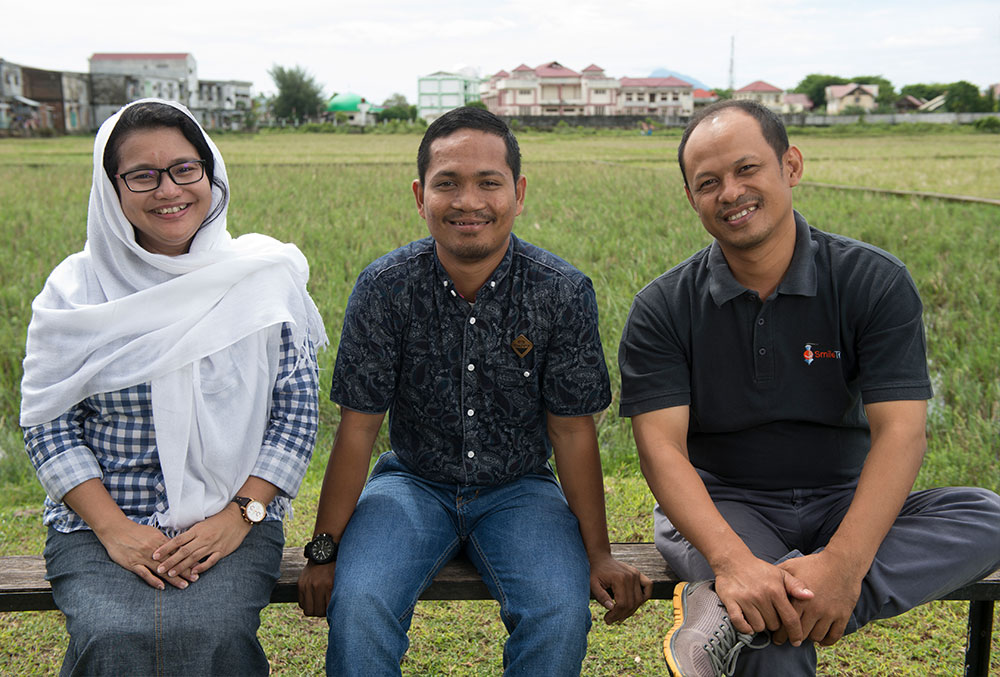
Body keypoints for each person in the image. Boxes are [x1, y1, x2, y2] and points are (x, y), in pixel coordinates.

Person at [617, 99, 1000, 677]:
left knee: (986, 515)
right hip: (725, 502)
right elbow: (661, 450)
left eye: (748, 169)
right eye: (708, 182)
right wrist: (731, 561)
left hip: (843, 496)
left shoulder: (872, 280)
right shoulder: (663, 306)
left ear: (789, 166)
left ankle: (730, 606)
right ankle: (751, 599)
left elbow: (901, 432)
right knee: (771, 637)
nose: (731, 192)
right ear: (691, 198)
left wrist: (845, 566)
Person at [297, 106, 652, 676]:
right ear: (420, 195)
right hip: (411, 484)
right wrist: (322, 550)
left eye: (489, 182)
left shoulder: (561, 293)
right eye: (447, 183)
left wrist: (600, 553)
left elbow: (572, 431)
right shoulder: (385, 289)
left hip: (520, 490)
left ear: (519, 192)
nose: (469, 201)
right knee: (359, 603)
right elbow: (358, 431)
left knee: (559, 612)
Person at [20, 98, 327, 676]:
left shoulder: (261, 278)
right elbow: (48, 423)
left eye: (186, 169)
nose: (169, 190)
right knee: (112, 634)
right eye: (143, 175)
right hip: (98, 520)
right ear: (111, 188)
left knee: (210, 629)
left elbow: (295, 414)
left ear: (210, 173)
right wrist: (113, 530)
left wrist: (240, 516)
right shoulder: (74, 293)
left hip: (231, 514)